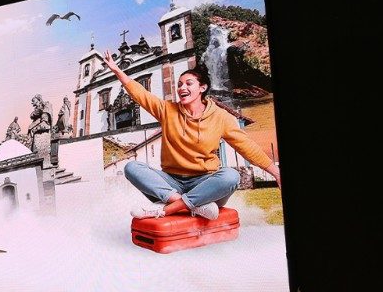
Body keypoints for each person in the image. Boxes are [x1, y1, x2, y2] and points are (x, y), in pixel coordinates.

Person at [102, 51, 280, 220]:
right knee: (132, 167)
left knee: (231, 176)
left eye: (188, 83)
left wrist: (276, 173)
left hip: (205, 184)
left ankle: (166, 209)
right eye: (179, 84)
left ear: (202, 87)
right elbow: (140, 94)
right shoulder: (167, 110)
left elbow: (246, 146)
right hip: (171, 183)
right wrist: (117, 70)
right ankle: (194, 206)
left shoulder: (221, 117)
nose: (182, 88)